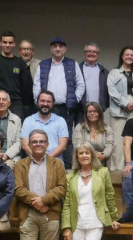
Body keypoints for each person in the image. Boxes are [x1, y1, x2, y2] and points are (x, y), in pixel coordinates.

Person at [33, 37, 85, 168]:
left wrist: (75, 99)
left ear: (65, 49)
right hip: (46, 108)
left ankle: (68, 167)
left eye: (60, 46)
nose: (58, 48)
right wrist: (38, 101)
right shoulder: (43, 64)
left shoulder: (73, 64)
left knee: (66, 138)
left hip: (66, 108)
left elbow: (81, 84)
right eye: (55, 46)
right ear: (51, 48)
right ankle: (42, 163)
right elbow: (36, 85)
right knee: (44, 135)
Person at [14, 129, 67, 240]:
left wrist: (44, 200)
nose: (38, 144)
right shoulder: (20, 165)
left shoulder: (57, 164)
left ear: (47, 144)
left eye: (41, 141)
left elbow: (62, 188)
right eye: (34, 142)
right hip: (27, 214)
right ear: (29, 145)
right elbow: (18, 189)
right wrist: (38, 202)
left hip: (50, 212)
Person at [61, 142, 120, 240]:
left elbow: (109, 197)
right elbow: (67, 205)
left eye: (87, 153)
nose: (84, 156)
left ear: (92, 155)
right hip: (76, 224)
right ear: (76, 156)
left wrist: (114, 218)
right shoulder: (70, 178)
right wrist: (67, 227)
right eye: (81, 153)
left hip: (95, 223)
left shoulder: (103, 172)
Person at [107, 46, 133, 171]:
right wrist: (125, 103)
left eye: (132, 55)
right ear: (122, 57)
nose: (129, 57)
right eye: (127, 54)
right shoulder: (113, 73)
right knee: (118, 142)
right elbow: (112, 92)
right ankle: (117, 169)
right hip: (118, 111)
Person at [0, 30, 33, 120]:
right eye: (5, 42)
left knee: (16, 132)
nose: (7, 45)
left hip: (17, 104)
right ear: (0, 43)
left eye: (10, 42)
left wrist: (23, 102)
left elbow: (26, 85)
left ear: (14, 44)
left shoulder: (20, 63)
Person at [21, 90, 68, 160]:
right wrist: (37, 158)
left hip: (55, 158)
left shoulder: (60, 121)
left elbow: (63, 145)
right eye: (42, 101)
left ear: (53, 104)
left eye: (48, 102)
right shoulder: (28, 121)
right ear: (37, 102)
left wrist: (47, 159)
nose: (45, 104)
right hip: (32, 158)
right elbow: (25, 145)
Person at [76, 42, 109, 124]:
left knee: (98, 134)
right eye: (89, 51)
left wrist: (104, 106)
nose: (91, 53)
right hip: (80, 110)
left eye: (94, 52)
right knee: (81, 134)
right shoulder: (76, 69)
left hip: (98, 109)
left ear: (98, 55)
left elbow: (108, 91)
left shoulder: (104, 71)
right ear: (84, 53)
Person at [72, 102, 114, 167]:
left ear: (99, 113)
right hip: (84, 159)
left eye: (95, 111)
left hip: (101, 161)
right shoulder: (79, 127)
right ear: (86, 114)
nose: (92, 113)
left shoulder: (107, 128)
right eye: (89, 111)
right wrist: (90, 154)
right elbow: (78, 144)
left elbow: (110, 145)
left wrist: (103, 155)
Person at [19, 40, 41, 118]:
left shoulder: (40, 64)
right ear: (19, 51)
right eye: (23, 49)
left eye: (29, 49)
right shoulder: (14, 64)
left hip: (36, 105)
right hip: (18, 105)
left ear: (33, 52)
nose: (26, 52)